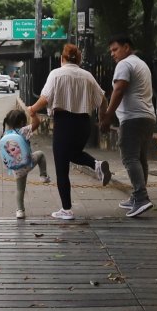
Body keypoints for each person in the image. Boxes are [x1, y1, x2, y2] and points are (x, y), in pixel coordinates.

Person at [26, 43, 112, 220]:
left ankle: (66, 209)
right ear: (79, 59)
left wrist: (32, 109)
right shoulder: (87, 76)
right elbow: (103, 100)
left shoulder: (56, 74)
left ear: (62, 59)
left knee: (61, 167)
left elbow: (45, 98)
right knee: (74, 153)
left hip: (64, 122)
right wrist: (103, 118)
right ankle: (96, 165)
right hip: (84, 123)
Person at [100, 34, 156, 217]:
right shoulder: (141, 64)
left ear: (126, 47)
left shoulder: (124, 64)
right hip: (147, 117)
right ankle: (137, 196)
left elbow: (119, 89)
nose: (112, 54)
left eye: (115, 49)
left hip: (132, 118)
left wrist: (107, 116)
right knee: (140, 159)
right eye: (111, 51)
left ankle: (141, 198)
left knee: (130, 158)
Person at [0, 103, 51, 219]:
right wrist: (33, 114)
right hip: (28, 162)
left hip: (15, 168)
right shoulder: (23, 131)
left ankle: (20, 211)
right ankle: (43, 175)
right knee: (41, 154)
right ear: (22, 122)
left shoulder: (5, 134)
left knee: (20, 189)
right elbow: (37, 123)